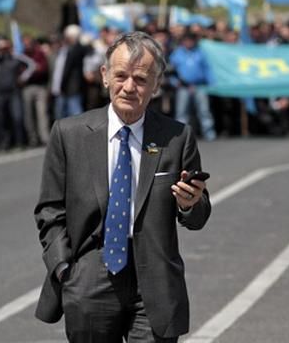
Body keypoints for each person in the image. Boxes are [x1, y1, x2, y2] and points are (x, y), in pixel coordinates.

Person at [34, 31, 212, 343]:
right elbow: (50, 211)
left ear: (156, 85)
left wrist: (190, 203)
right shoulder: (69, 134)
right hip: (90, 275)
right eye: (121, 76)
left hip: (154, 278)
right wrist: (65, 269)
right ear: (104, 76)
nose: (129, 87)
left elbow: (197, 217)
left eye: (141, 79)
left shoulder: (176, 137)